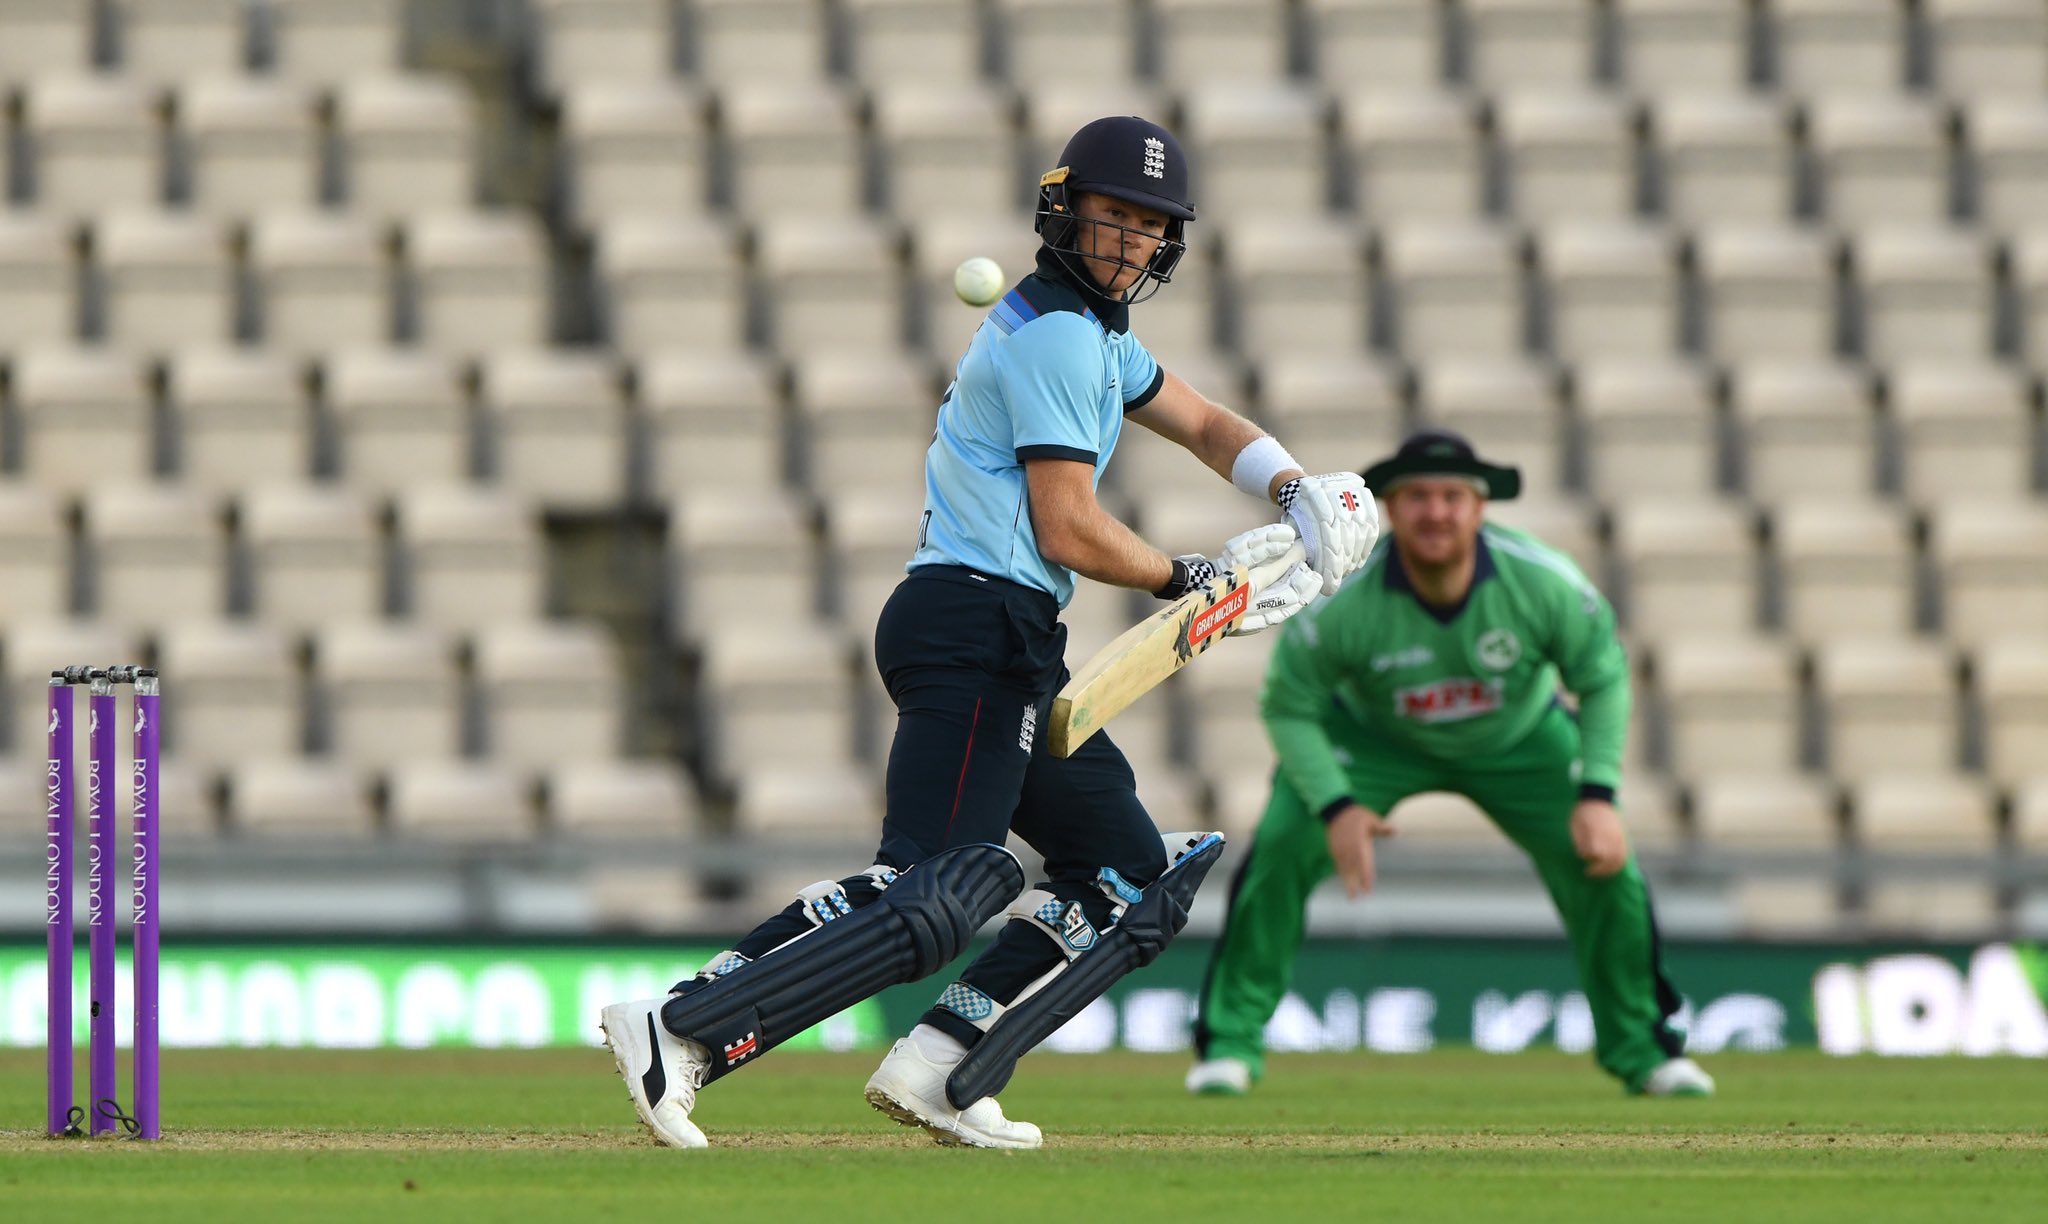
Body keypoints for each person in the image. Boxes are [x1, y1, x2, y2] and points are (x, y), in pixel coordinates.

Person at [599, 115, 1381, 1150]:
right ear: (1065, 211)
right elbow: (1068, 526)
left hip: (1006, 630)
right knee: (936, 887)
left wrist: (1293, 488)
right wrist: (1183, 577)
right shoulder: (1057, 335)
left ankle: (939, 1068)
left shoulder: (1097, 334)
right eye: (1112, 217)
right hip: (973, 622)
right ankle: (679, 1029)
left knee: (1123, 872)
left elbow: (1199, 421)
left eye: (1150, 225)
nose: (1129, 242)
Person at [1184, 429, 1715, 1099]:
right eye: (1418, 497)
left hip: (1520, 742)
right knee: (1283, 848)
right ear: (1394, 511)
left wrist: (1600, 793)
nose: (1436, 512)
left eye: (1452, 497)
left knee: (1608, 865)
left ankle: (1646, 1051)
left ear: (1480, 508)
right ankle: (1229, 1044)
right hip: (1371, 742)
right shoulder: (1344, 596)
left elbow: (1604, 679)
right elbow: (1290, 704)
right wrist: (1337, 807)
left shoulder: (1543, 583)